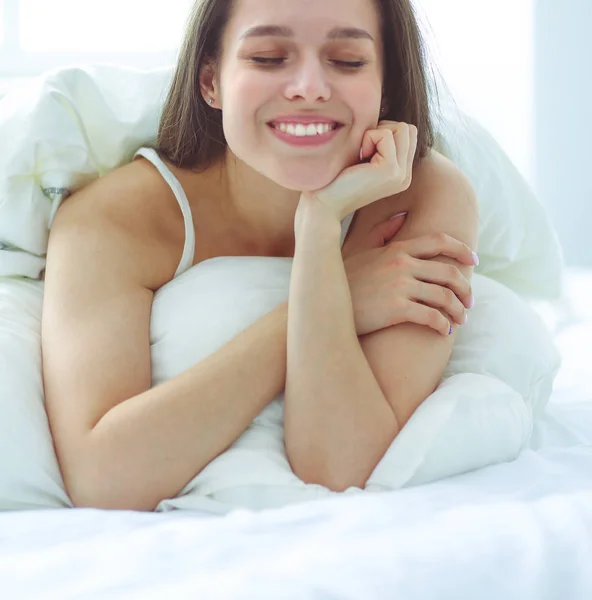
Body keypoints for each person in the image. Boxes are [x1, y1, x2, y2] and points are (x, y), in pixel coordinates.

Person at [41, 0, 479, 512]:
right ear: (211, 82)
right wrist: (338, 298)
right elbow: (103, 479)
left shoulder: (424, 195)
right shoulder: (113, 219)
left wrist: (318, 225)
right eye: (269, 58)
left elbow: (341, 467)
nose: (309, 87)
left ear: (387, 85)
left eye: (348, 61)